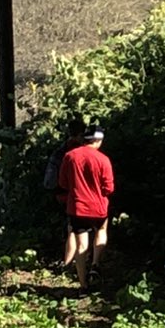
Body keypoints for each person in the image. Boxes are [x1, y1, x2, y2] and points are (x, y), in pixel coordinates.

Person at [57, 123, 114, 292]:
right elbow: (109, 188)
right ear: (98, 141)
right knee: (101, 230)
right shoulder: (103, 159)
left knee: (81, 245)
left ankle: (83, 285)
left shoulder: (70, 156)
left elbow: (62, 183)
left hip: (77, 207)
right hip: (99, 207)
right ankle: (95, 263)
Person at [51, 117, 85, 272]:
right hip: (79, 196)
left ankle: (68, 262)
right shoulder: (82, 151)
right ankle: (73, 263)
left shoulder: (60, 151)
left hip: (61, 195)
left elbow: (51, 179)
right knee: (77, 231)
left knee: (70, 229)